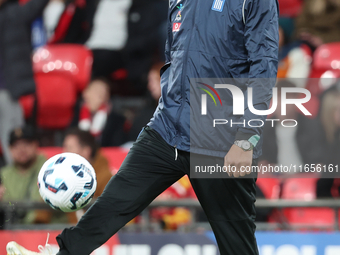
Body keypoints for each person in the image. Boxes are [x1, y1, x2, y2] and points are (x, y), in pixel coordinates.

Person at [6, 0, 279, 254]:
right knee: (116, 199)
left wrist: (247, 137)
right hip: (167, 127)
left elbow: (264, 68)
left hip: (221, 137)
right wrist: (169, 100)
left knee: (236, 241)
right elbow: (174, 55)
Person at [0, 0, 49, 164]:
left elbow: (37, 5)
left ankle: (16, 179)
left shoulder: (15, 13)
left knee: (14, 137)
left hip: (7, 89)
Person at [0, 126, 48, 224]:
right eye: (16, 145)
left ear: (36, 145)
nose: (21, 149)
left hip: (46, 230)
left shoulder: (49, 168)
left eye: (26, 144)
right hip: (13, 231)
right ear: (10, 149)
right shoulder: (4, 174)